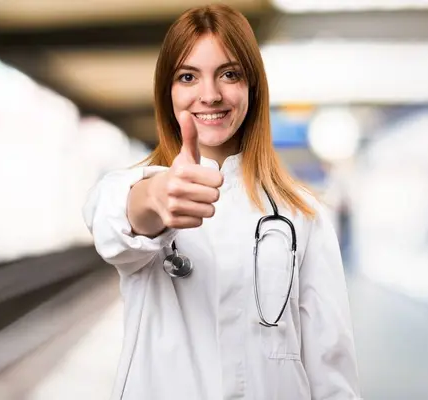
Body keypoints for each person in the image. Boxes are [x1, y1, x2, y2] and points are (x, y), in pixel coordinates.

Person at [83, 4, 361, 399]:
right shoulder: (132, 188)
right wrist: (157, 198)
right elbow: (109, 219)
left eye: (229, 74)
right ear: (168, 92)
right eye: (188, 76)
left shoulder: (301, 214)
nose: (210, 95)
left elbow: (331, 364)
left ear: (253, 88)